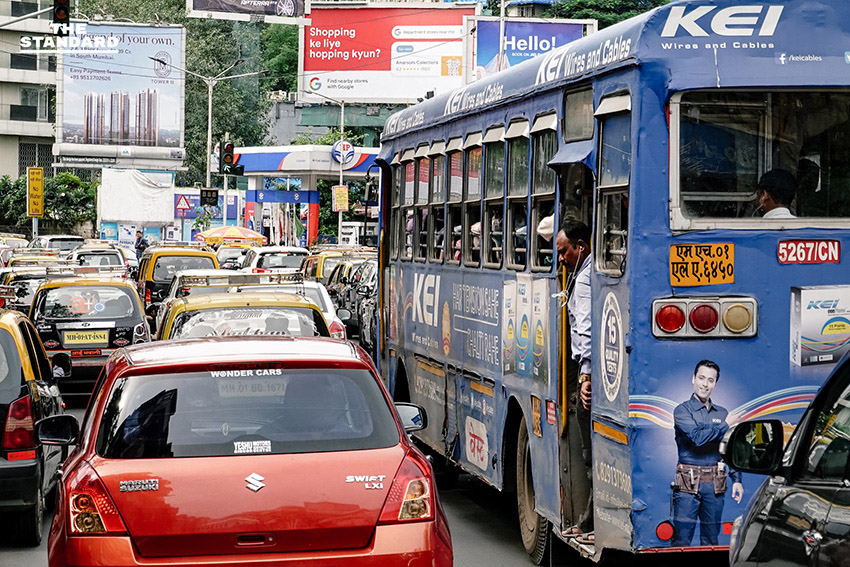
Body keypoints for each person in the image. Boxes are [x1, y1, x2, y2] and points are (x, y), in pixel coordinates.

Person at [672, 360, 744, 547]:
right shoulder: (682, 411)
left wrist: (737, 480)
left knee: (711, 541)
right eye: (701, 378)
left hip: (715, 484)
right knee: (681, 540)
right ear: (693, 379)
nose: (705, 384)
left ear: (715, 384)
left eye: (710, 380)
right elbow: (697, 438)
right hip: (688, 485)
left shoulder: (722, 412)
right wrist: (725, 425)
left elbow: (729, 449)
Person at [555, 218, 593, 540]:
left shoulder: (583, 281)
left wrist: (585, 375)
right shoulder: (581, 274)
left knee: (589, 452)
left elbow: (586, 331)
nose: (561, 259)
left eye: (565, 251)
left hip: (586, 374)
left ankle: (591, 522)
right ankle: (587, 519)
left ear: (580, 246)